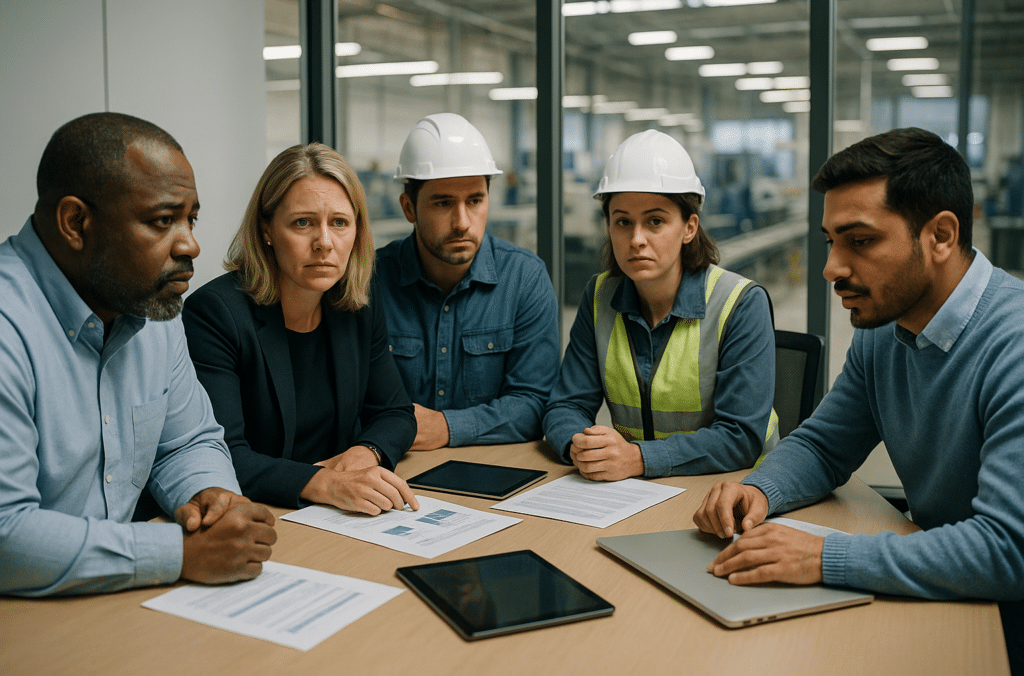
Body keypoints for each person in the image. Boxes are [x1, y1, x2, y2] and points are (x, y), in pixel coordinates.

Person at [692, 127, 1023, 674]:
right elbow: (825, 446)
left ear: (940, 235)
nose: (832, 268)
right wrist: (759, 490)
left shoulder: (1010, 344)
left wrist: (824, 556)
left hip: (996, 616)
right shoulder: (883, 331)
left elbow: (1006, 550)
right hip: (944, 588)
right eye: (830, 241)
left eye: (860, 241)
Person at [0, 112, 276, 597]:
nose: (190, 243)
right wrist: (179, 553)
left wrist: (209, 495)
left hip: (115, 604)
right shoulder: (9, 325)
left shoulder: (151, 308)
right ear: (75, 223)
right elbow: (6, 533)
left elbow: (187, 441)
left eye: (190, 219)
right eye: (162, 220)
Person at [182, 143, 419, 515]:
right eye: (303, 223)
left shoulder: (356, 306)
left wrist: (365, 452)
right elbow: (220, 454)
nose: (324, 242)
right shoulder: (216, 314)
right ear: (267, 231)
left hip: (338, 514)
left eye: (339, 223)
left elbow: (396, 413)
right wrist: (325, 483)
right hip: (264, 511)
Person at [544, 130, 778, 482]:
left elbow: (740, 438)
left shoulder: (740, 303)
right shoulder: (599, 297)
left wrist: (638, 458)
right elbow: (566, 405)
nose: (636, 240)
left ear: (689, 227)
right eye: (623, 222)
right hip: (642, 490)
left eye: (655, 221)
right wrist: (579, 444)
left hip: (737, 490)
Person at [374, 113, 560, 450]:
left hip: (491, 469)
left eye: (474, 201)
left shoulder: (524, 278)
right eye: (443, 203)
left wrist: (446, 428)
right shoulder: (371, 282)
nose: (462, 222)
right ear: (408, 208)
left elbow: (534, 403)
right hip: (394, 470)